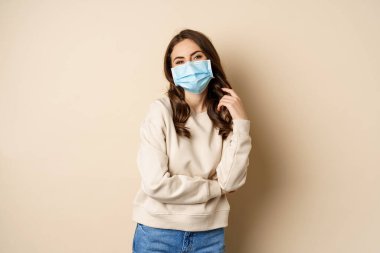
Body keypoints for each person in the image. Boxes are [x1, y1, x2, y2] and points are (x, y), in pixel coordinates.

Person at [132, 28, 252, 253]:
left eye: (196, 57)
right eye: (180, 61)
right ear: (172, 72)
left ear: (210, 60)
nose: (189, 66)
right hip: (157, 234)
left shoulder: (225, 115)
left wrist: (241, 123)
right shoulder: (160, 111)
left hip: (210, 236)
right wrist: (215, 188)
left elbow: (232, 181)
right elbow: (156, 184)